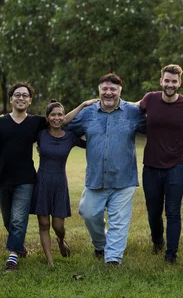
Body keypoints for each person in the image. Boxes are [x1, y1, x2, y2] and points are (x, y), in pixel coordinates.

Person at [0, 82, 89, 271]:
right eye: (17, 94)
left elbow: (61, 120)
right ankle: (19, 246)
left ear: (30, 100)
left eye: (25, 95)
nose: (21, 98)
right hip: (2, 179)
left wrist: (83, 105)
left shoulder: (36, 122)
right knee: (8, 220)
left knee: (18, 219)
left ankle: (13, 256)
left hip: (27, 180)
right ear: (11, 99)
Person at [68, 73, 146, 266]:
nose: (109, 93)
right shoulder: (88, 113)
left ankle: (113, 259)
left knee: (119, 220)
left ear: (120, 91)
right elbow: (65, 128)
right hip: (96, 176)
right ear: (99, 91)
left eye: (113, 89)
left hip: (124, 176)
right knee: (88, 213)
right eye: (105, 89)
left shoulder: (132, 112)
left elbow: (157, 126)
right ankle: (101, 246)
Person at [139, 64, 183, 264]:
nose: (170, 84)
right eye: (167, 80)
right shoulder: (150, 99)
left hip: (176, 166)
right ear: (161, 81)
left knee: (173, 211)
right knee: (154, 211)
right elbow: (131, 110)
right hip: (151, 165)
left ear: (179, 83)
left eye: (174, 81)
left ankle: (171, 253)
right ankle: (157, 241)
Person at [30, 99, 93, 265]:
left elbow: (92, 145)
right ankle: (49, 260)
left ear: (64, 117)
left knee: (58, 225)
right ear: (47, 117)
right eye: (53, 115)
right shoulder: (41, 134)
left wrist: (84, 105)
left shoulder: (70, 137)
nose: (57, 118)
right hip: (42, 182)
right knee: (43, 223)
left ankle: (60, 240)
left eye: (60, 114)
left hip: (59, 183)